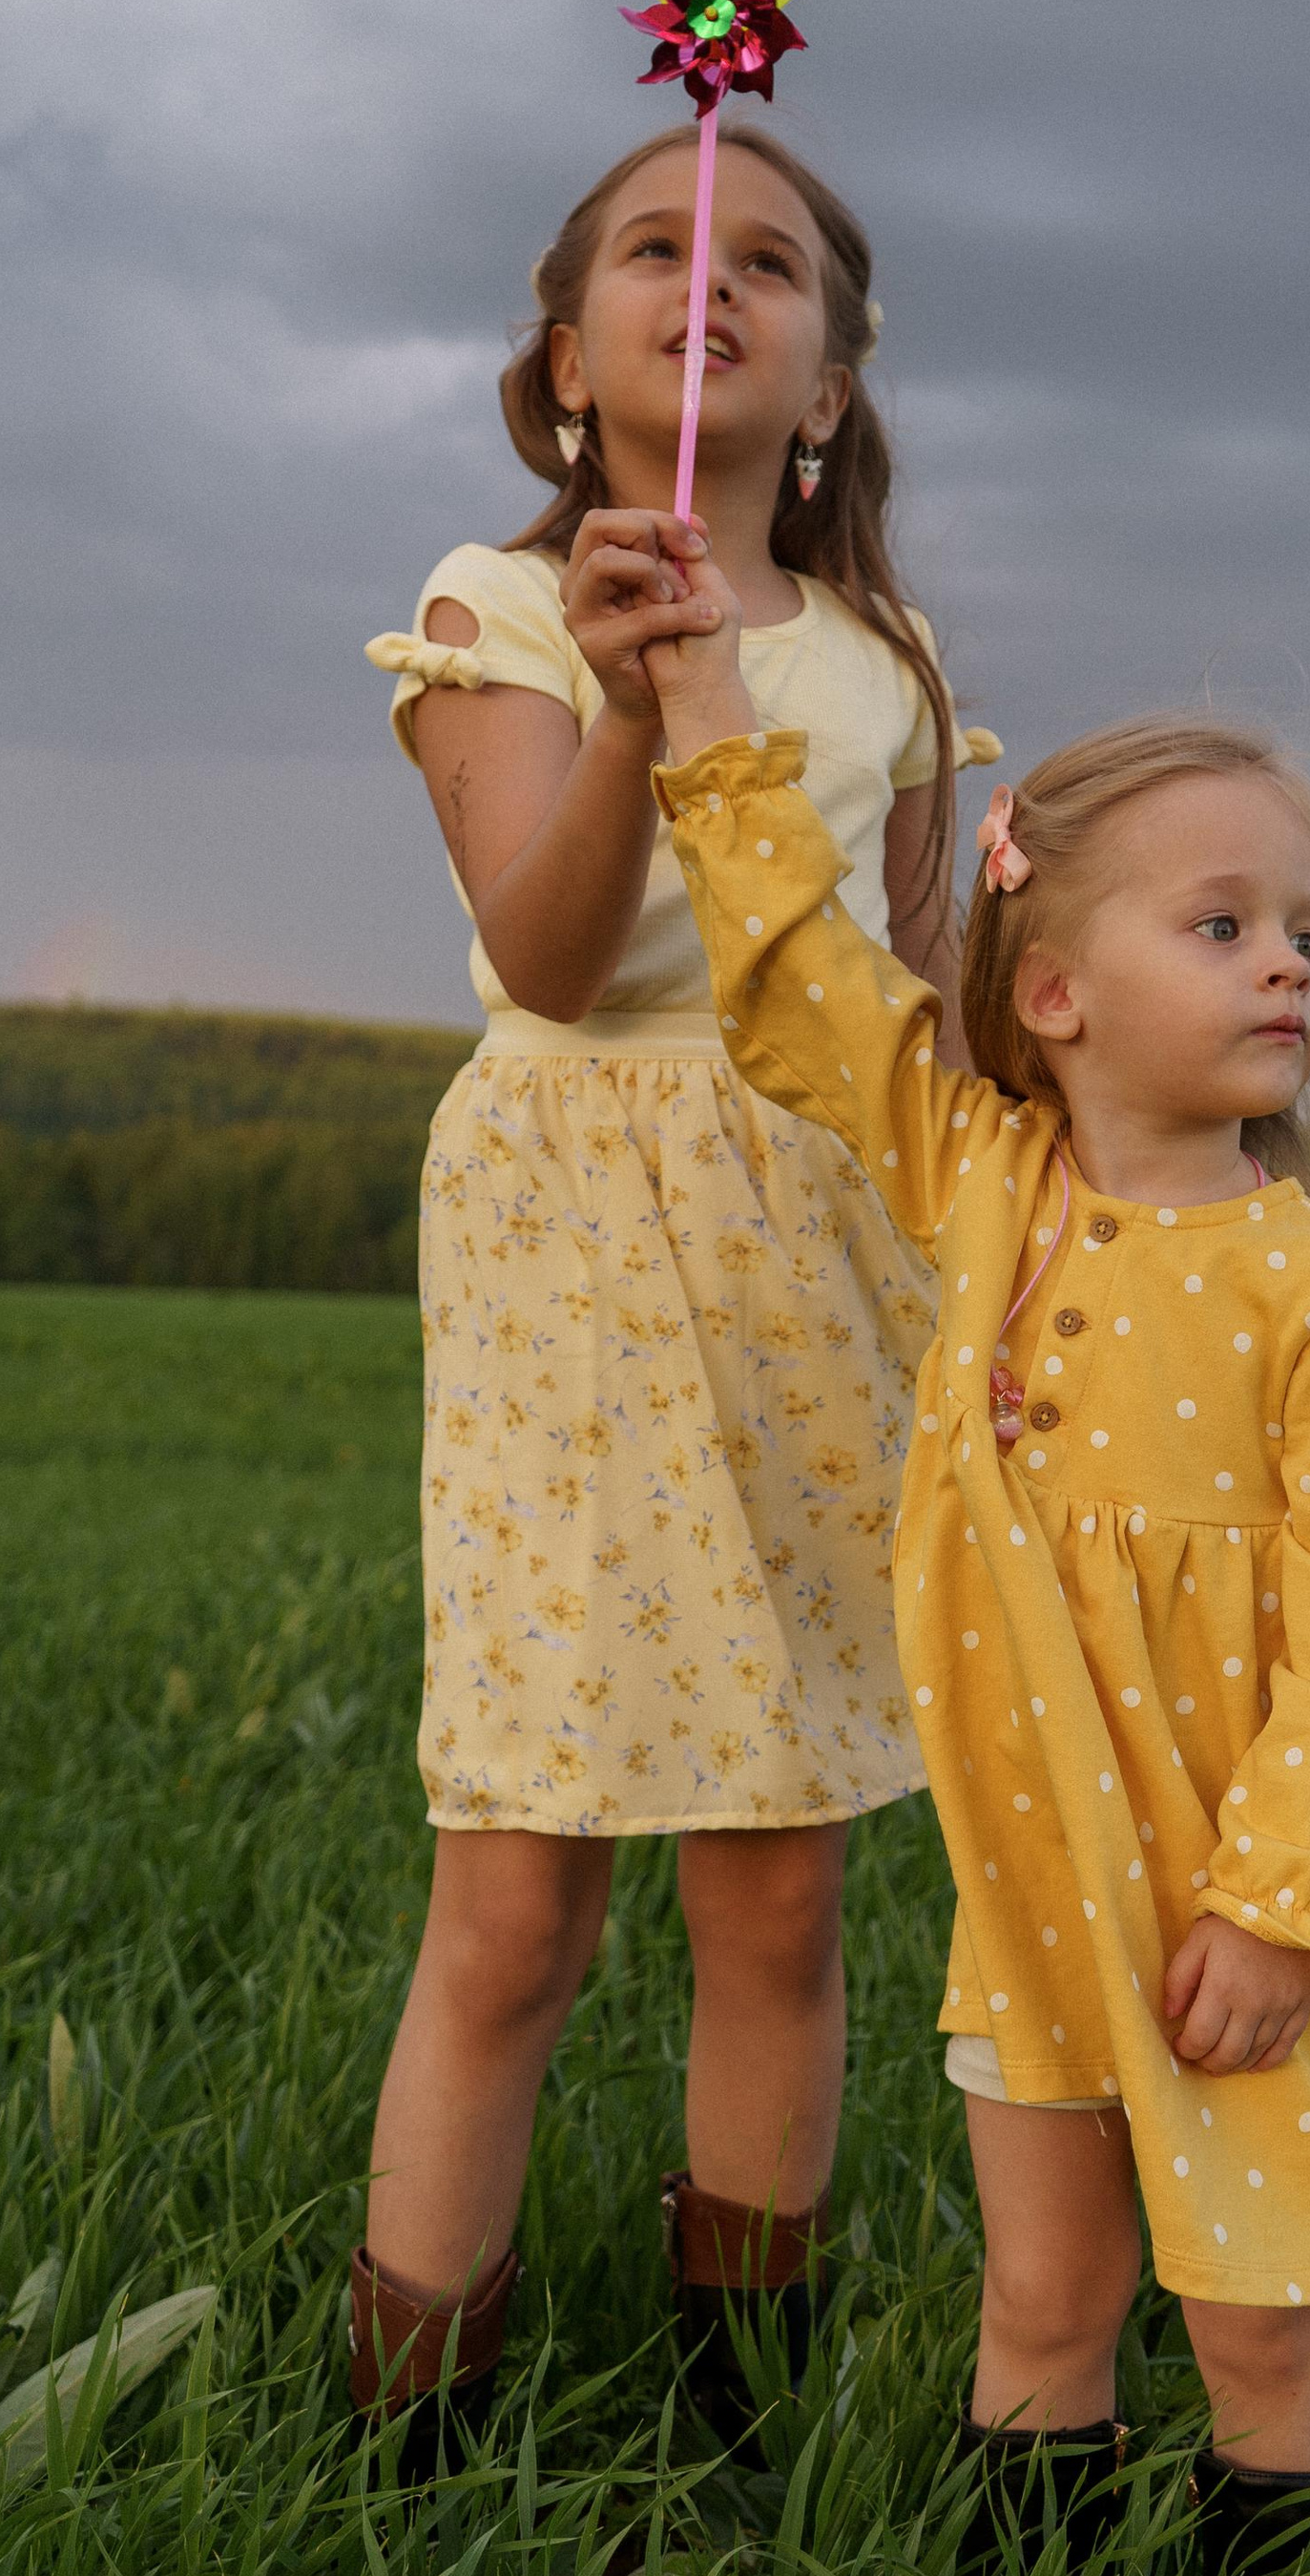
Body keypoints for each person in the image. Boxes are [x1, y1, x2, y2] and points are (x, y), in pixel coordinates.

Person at [607, 516, 1310, 2576]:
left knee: (1256, 2319)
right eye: (1225, 923)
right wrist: (700, 697)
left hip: (1239, 1910)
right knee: (1042, 2305)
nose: (1287, 963)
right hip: (1035, 1888)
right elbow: (802, 979)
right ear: (1056, 991)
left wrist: (1281, 1905)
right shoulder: (978, 1177)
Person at [354, 121, 996, 2459]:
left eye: (772, 269)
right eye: (655, 246)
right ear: (564, 361)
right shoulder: (496, 610)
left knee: (780, 1885)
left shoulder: (882, 662)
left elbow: (922, 1016)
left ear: (823, 386)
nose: (707, 282)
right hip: (568, 1236)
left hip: (820, 1254)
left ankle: (741, 2405)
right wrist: (638, 702)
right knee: (521, 1892)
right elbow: (542, 941)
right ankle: (406, 2415)